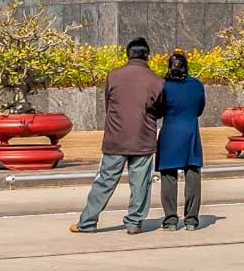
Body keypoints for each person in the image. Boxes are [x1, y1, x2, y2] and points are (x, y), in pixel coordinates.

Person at [70, 37, 163, 236]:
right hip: (142, 138)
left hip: (116, 137)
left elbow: (108, 105)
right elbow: (159, 109)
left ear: (127, 55)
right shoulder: (155, 80)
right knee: (140, 184)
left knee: (105, 180)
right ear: (148, 56)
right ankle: (134, 222)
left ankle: (87, 221)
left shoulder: (113, 76)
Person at [156, 50, 206, 231]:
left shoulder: (163, 85)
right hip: (190, 132)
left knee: (168, 176)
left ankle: (170, 219)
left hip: (170, 133)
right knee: (193, 174)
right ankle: (191, 219)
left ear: (169, 67)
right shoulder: (197, 85)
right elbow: (200, 109)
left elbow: (158, 110)